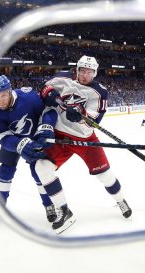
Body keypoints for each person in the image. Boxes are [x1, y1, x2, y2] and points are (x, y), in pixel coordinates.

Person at [37, 55, 132, 234]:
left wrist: (80, 113)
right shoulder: (62, 79)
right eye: (82, 71)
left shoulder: (100, 91)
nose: (85, 75)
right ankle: (64, 211)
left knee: (105, 176)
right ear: (77, 70)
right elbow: (45, 88)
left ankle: (120, 199)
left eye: (89, 72)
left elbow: (92, 120)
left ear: (94, 73)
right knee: (42, 167)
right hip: (61, 137)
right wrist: (49, 94)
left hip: (85, 140)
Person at [0, 75, 58, 223]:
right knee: (5, 170)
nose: (0, 100)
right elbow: (1, 135)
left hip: (35, 138)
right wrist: (19, 144)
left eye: (3, 95)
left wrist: (46, 127)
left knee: (38, 172)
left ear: (10, 91)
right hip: (12, 140)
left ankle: (49, 205)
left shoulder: (28, 97)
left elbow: (49, 111)